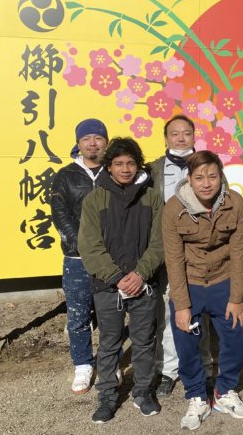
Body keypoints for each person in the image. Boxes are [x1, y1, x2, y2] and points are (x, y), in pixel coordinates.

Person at [162, 151, 243, 431]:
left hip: (224, 280)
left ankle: (225, 392)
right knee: (186, 343)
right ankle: (197, 396)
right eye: (199, 177)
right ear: (189, 179)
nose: (206, 183)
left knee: (234, 337)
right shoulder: (174, 209)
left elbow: (238, 253)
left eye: (212, 176)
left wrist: (236, 298)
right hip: (189, 282)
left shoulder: (235, 204)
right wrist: (181, 304)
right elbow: (173, 260)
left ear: (220, 176)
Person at [78, 137, 164, 423]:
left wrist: (140, 274)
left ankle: (143, 392)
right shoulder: (95, 199)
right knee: (109, 343)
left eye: (130, 163)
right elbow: (89, 246)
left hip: (144, 284)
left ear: (138, 165)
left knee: (144, 341)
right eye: (118, 164)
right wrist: (116, 277)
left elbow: (159, 242)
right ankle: (107, 397)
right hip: (107, 287)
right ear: (109, 167)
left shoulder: (151, 197)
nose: (125, 169)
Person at [148, 114, 213, 398]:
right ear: (166, 138)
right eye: (174, 134)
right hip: (166, 250)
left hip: (199, 250)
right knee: (168, 310)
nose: (181, 138)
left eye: (186, 133)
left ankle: (204, 367)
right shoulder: (153, 170)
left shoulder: (207, 165)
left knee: (200, 311)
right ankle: (168, 369)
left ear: (194, 135)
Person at [50, 118, 108, 395]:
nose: (92, 143)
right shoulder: (66, 175)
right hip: (77, 258)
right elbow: (60, 214)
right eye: (87, 138)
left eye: (98, 138)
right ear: (78, 143)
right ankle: (83, 364)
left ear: (106, 142)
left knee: (110, 314)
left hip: (111, 257)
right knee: (77, 315)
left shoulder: (115, 171)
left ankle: (109, 362)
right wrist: (83, 245)